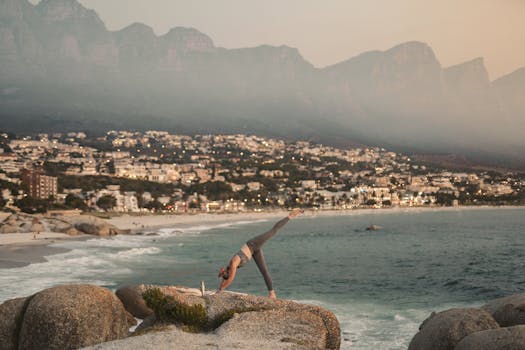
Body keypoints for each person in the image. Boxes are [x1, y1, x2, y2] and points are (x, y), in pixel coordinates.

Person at [218, 208, 302, 299]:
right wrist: (221, 286)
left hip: (253, 244)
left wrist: (220, 289)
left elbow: (229, 279)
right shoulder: (232, 266)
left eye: (224, 273)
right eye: (224, 273)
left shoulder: (233, 263)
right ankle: (272, 294)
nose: (224, 273)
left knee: (273, 231)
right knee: (264, 271)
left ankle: (290, 216)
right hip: (254, 251)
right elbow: (227, 278)